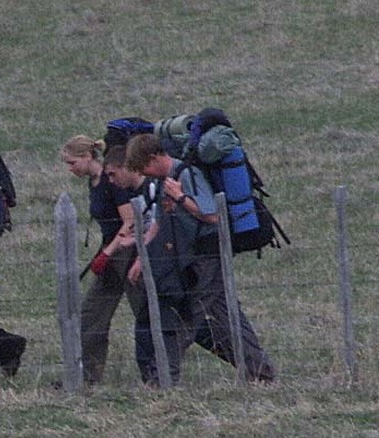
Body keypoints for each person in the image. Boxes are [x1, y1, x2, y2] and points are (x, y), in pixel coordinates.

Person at [125, 133, 275, 382]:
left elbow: (215, 216)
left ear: (154, 157)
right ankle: (261, 373)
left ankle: (162, 378)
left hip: (208, 256)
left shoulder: (187, 175)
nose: (145, 174)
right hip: (196, 257)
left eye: (144, 167)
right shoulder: (165, 181)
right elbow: (159, 224)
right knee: (228, 315)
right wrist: (141, 255)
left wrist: (182, 198)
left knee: (185, 313)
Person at [103, 142, 190, 386]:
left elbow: (162, 226)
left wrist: (142, 255)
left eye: (113, 173)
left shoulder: (154, 188)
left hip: (169, 263)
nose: (111, 180)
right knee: (156, 319)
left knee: (167, 320)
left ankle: (156, 379)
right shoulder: (146, 192)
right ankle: (153, 378)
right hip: (159, 260)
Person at [59, 134, 139, 385]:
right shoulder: (94, 182)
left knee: (146, 313)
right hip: (111, 254)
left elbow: (130, 221)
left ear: (87, 157)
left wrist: (108, 251)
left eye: (72, 163)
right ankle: (87, 378)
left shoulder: (111, 180)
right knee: (91, 315)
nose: (70, 169)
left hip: (127, 253)